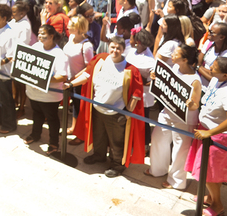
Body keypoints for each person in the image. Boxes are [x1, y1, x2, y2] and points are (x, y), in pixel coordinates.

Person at [67, 36, 145, 178]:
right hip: (97, 109)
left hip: (116, 113)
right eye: (113, 47)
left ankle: (117, 165)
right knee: (99, 136)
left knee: (117, 142)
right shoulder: (100, 60)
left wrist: (127, 113)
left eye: (118, 48)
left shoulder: (130, 70)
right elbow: (86, 75)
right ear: (109, 47)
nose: (115, 50)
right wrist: (71, 84)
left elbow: (136, 94)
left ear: (123, 50)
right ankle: (99, 155)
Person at [185, 57, 227, 216]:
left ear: (225, 75)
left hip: (217, 137)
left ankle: (218, 206)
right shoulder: (216, 81)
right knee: (211, 172)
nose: (210, 68)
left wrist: (210, 133)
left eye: (214, 67)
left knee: (209, 173)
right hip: (205, 132)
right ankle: (211, 197)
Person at [146, 44, 202, 190]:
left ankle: (176, 181)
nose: (172, 55)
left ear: (184, 59)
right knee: (158, 139)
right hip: (167, 112)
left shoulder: (195, 80)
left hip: (184, 119)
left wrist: (191, 104)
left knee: (180, 150)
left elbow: (196, 104)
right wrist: (155, 76)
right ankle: (157, 170)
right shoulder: (175, 68)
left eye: (176, 54)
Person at [23, 25, 70, 155]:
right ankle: (35, 134)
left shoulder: (59, 54)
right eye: (38, 33)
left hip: (49, 96)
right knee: (36, 114)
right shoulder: (36, 46)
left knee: (52, 119)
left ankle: (54, 142)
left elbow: (62, 76)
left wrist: (43, 79)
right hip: (33, 93)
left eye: (43, 34)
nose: (39, 36)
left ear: (51, 36)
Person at [0, 3, 18, 134]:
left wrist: (0, 62)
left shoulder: (10, 33)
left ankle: (9, 124)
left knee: (6, 99)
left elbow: (11, 56)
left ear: (5, 18)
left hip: (4, 72)